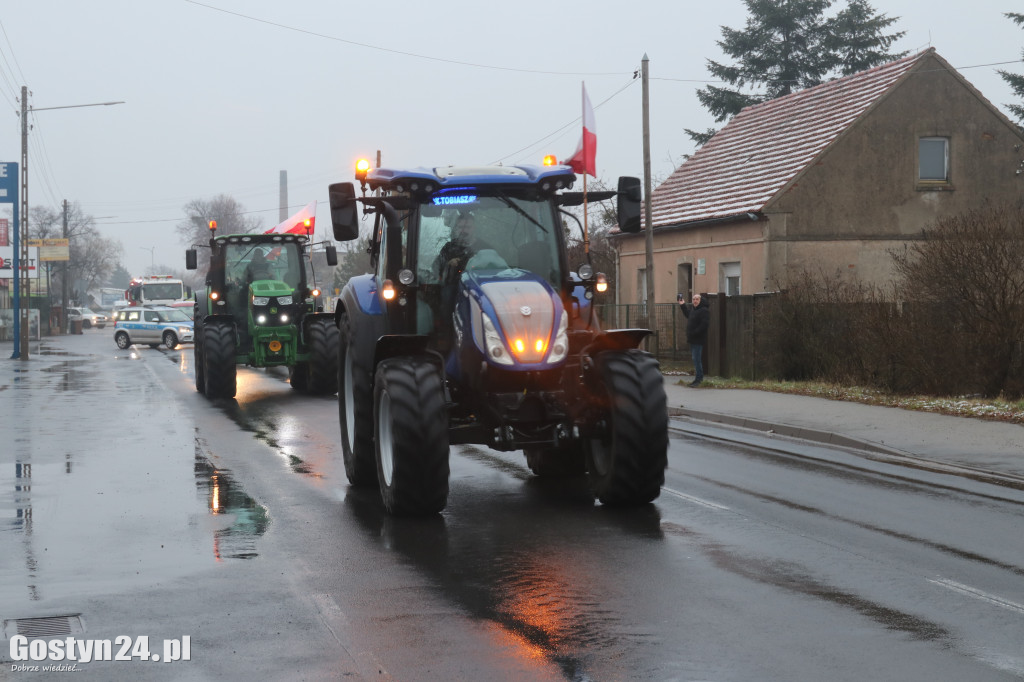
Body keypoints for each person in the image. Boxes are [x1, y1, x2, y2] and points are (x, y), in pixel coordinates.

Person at [681, 293, 710, 387]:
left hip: (698, 339)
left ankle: (699, 379)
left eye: (697, 299)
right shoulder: (694, 310)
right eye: (693, 299)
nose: (695, 301)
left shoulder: (704, 311)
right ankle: (697, 379)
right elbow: (688, 314)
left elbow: (704, 325)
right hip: (692, 339)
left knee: (697, 359)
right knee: (695, 359)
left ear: (701, 300)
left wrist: (694, 333)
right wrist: (682, 305)